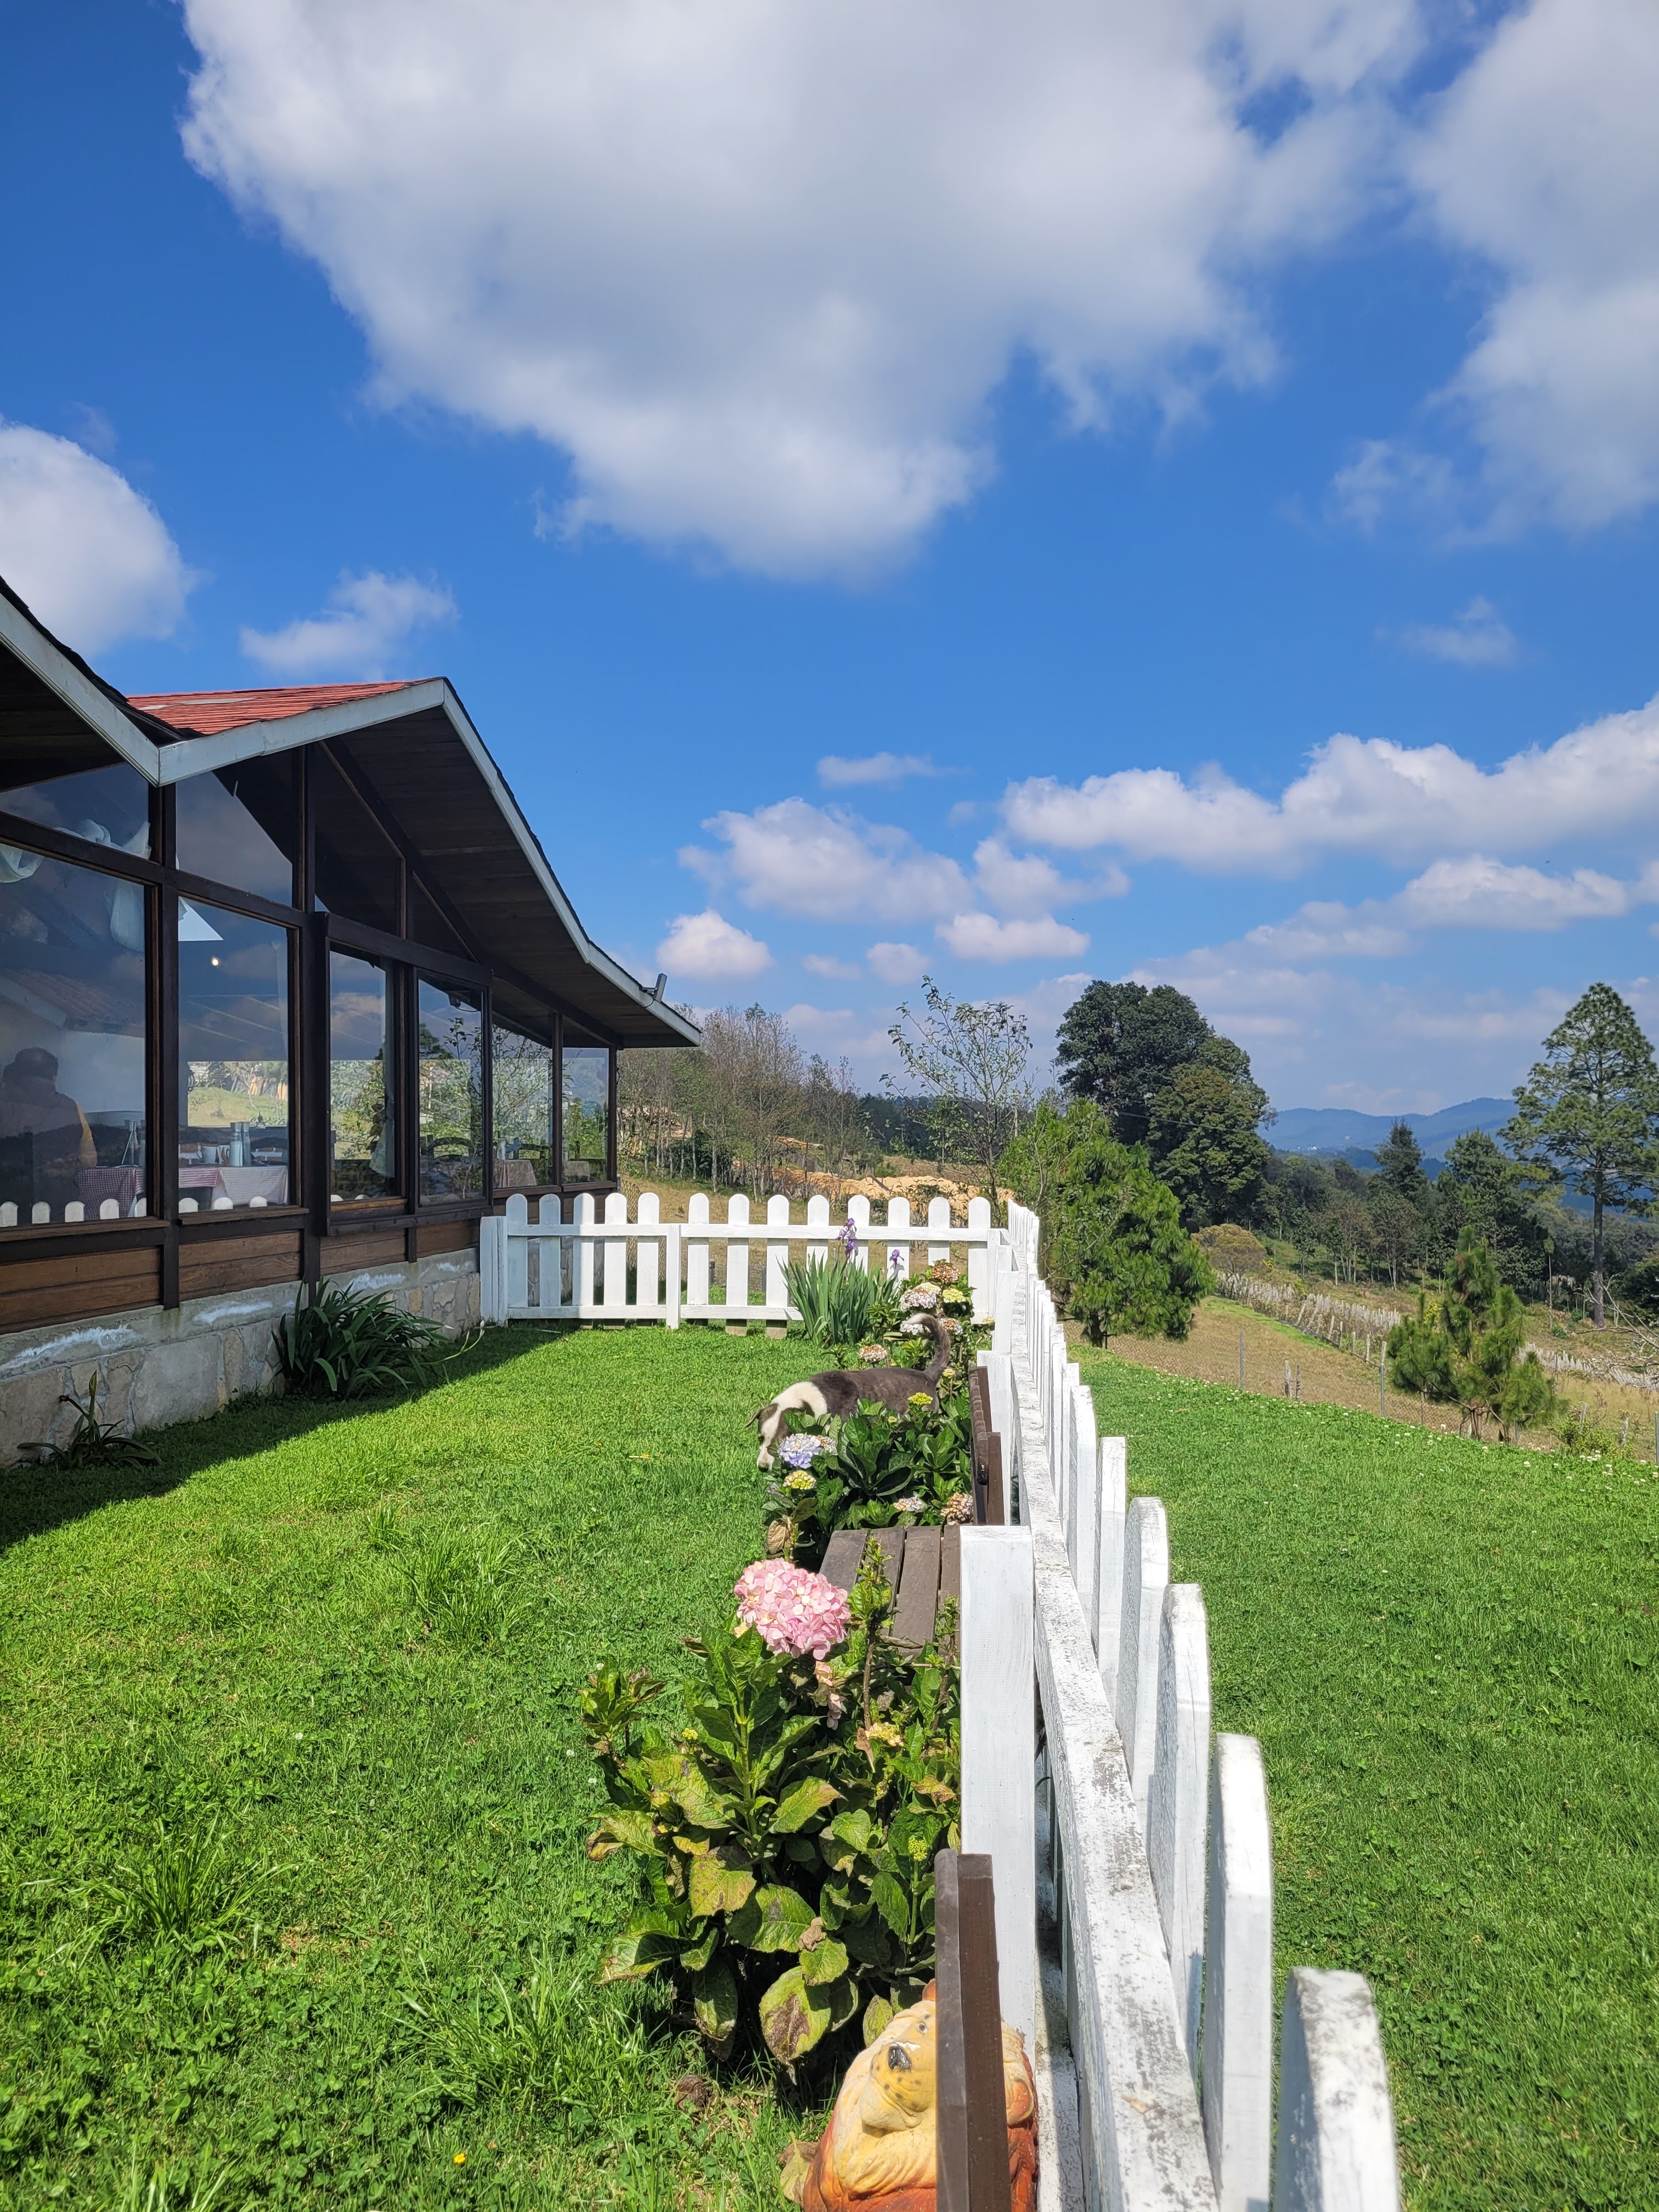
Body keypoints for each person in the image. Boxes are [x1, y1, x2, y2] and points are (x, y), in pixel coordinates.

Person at [0, 1046, 96, 1216]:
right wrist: (60, 1168)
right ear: (53, 1077)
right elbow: (89, 1160)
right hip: (60, 1209)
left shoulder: (4, 1105)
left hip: (8, 1211)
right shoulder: (72, 1108)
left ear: (16, 1074)